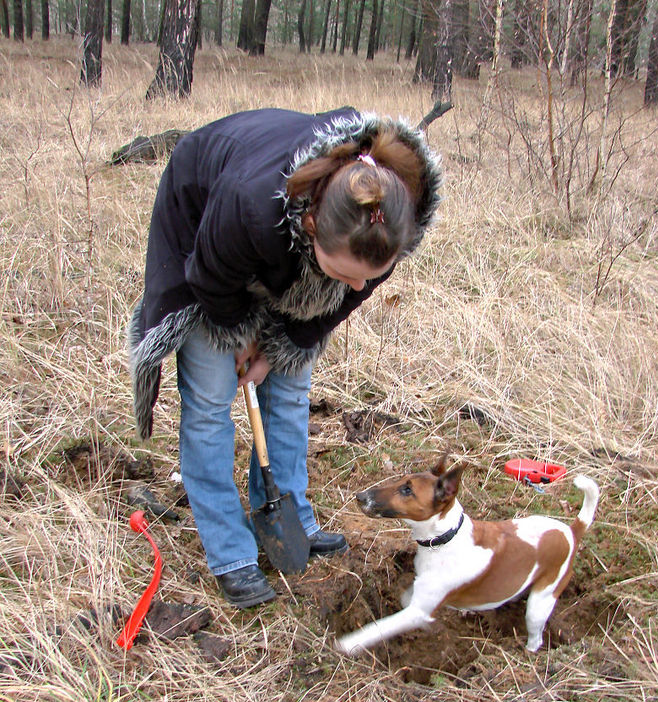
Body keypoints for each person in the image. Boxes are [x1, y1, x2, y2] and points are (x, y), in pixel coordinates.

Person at [129, 107, 442, 609]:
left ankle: (286, 511)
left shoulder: (387, 228)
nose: (359, 287)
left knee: (292, 387)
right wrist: (239, 336)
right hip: (203, 231)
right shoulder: (249, 205)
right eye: (344, 272)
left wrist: (276, 351)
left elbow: (338, 299)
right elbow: (211, 277)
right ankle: (231, 553)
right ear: (312, 224)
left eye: (367, 275)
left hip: (274, 244)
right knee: (211, 398)